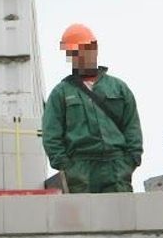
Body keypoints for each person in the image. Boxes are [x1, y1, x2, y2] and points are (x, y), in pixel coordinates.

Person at [41, 23, 143, 193]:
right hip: (80, 170)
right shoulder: (61, 93)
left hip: (116, 167)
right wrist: (69, 168)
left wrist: (130, 161)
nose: (81, 56)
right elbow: (51, 136)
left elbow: (132, 127)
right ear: (70, 56)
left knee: (121, 218)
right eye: (76, 52)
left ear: (95, 49)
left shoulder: (118, 88)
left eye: (85, 49)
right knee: (84, 219)